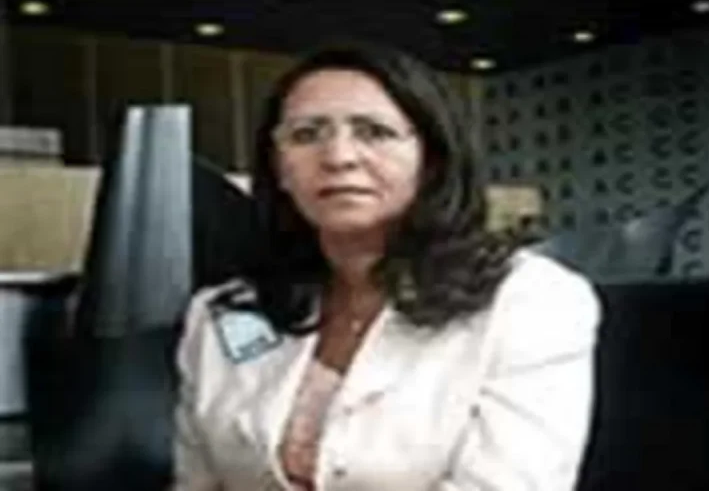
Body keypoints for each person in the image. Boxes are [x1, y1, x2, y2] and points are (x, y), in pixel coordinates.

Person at [171, 41, 602, 491]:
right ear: (279, 168)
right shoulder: (223, 312)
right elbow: (196, 483)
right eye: (306, 134)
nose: (338, 157)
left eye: (374, 132)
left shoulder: (532, 300)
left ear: (432, 160)